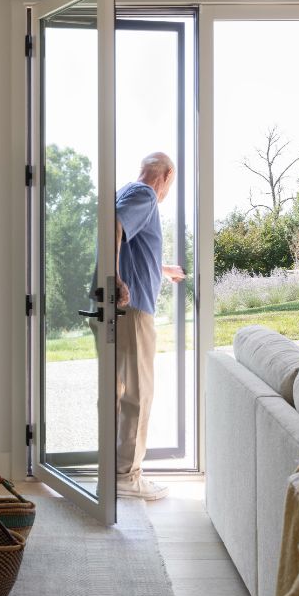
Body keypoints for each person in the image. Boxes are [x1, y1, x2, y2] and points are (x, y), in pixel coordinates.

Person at [113, 152, 185, 500]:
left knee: (121, 392)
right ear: (167, 175)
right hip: (134, 311)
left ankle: (115, 472)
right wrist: (116, 278)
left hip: (122, 311)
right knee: (139, 395)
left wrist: (161, 268)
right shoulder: (144, 195)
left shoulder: (126, 191)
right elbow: (116, 226)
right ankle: (127, 477)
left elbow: (129, 245)